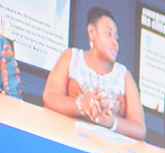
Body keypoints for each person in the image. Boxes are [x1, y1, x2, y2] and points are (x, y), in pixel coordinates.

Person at [42, 7, 145, 140]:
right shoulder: (71, 57)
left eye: (117, 38)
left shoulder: (124, 76)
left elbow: (140, 129)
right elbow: (49, 98)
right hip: (66, 140)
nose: (115, 43)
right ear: (92, 33)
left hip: (107, 151)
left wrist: (111, 122)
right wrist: (81, 104)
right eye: (109, 34)